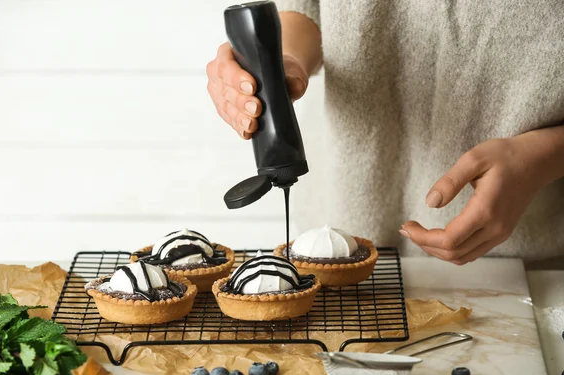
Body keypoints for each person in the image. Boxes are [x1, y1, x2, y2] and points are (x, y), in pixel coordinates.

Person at [206, 1, 564, 265]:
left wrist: (545, 156)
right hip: (334, 227)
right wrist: (283, 62)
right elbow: (306, 8)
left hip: (524, 262)